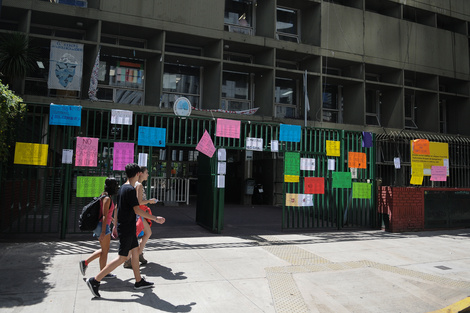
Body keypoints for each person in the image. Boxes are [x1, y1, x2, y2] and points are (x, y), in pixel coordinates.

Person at [86, 163, 165, 298]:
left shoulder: (124, 187)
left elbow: (120, 208)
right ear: (138, 174)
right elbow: (137, 210)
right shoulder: (129, 190)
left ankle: (138, 281)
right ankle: (95, 280)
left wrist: (116, 224)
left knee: (135, 253)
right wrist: (155, 218)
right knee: (122, 257)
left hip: (127, 226)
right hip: (127, 228)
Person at [79, 178, 119, 279]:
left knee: (104, 250)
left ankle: (89, 264)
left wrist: (113, 220)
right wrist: (103, 232)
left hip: (102, 226)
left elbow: (106, 214)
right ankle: (101, 272)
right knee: (105, 251)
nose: (117, 187)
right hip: (102, 226)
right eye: (116, 185)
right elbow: (104, 215)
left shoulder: (104, 196)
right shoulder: (107, 198)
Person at [123, 166, 158, 268]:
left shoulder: (132, 184)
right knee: (145, 234)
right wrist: (150, 201)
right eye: (146, 172)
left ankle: (138, 254)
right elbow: (139, 202)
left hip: (135, 214)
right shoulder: (139, 185)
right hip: (139, 213)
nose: (148, 174)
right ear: (141, 173)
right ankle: (131, 258)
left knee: (145, 233)